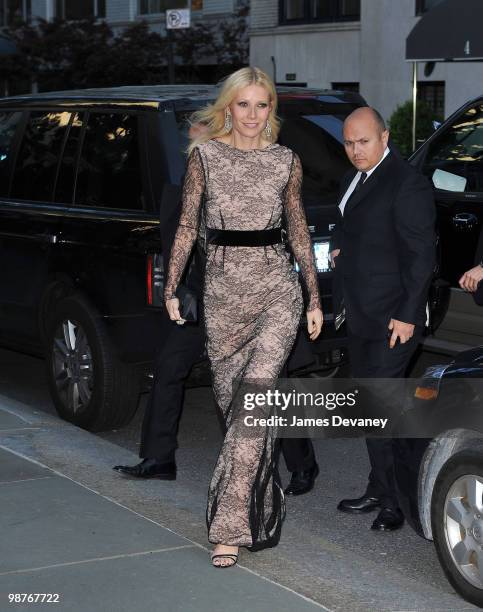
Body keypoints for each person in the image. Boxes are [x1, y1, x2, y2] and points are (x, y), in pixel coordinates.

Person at [164, 66, 323, 567]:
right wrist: (170, 287)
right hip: (224, 296)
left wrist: (314, 298)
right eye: (244, 104)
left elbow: (298, 231)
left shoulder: (286, 161)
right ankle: (261, 499)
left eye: (263, 105)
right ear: (228, 108)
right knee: (238, 413)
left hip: (278, 291)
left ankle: (228, 529)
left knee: (254, 407)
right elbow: (188, 226)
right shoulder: (204, 158)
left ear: (271, 109)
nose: (253, 115)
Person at [112, 121, 319, 495]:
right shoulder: (186, 188)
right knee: (169, 366)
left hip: (253, 297)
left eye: (203, 141)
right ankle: (159, 458)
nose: (197, 150)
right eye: (192, 143)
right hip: (200, 300)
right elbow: (178, 240)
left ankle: (301, 464)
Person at [329, 107, 435, 531]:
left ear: (385, 137)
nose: (355, 150)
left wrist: (409, 314)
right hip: (360, 312)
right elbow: (344, 221)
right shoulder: (354, 177)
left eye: (363, 141)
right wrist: (339, 246)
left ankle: (394, 502)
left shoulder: (407, 183)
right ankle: (379, 486)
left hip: (395, 316)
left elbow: (421, 256)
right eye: (349, 143)